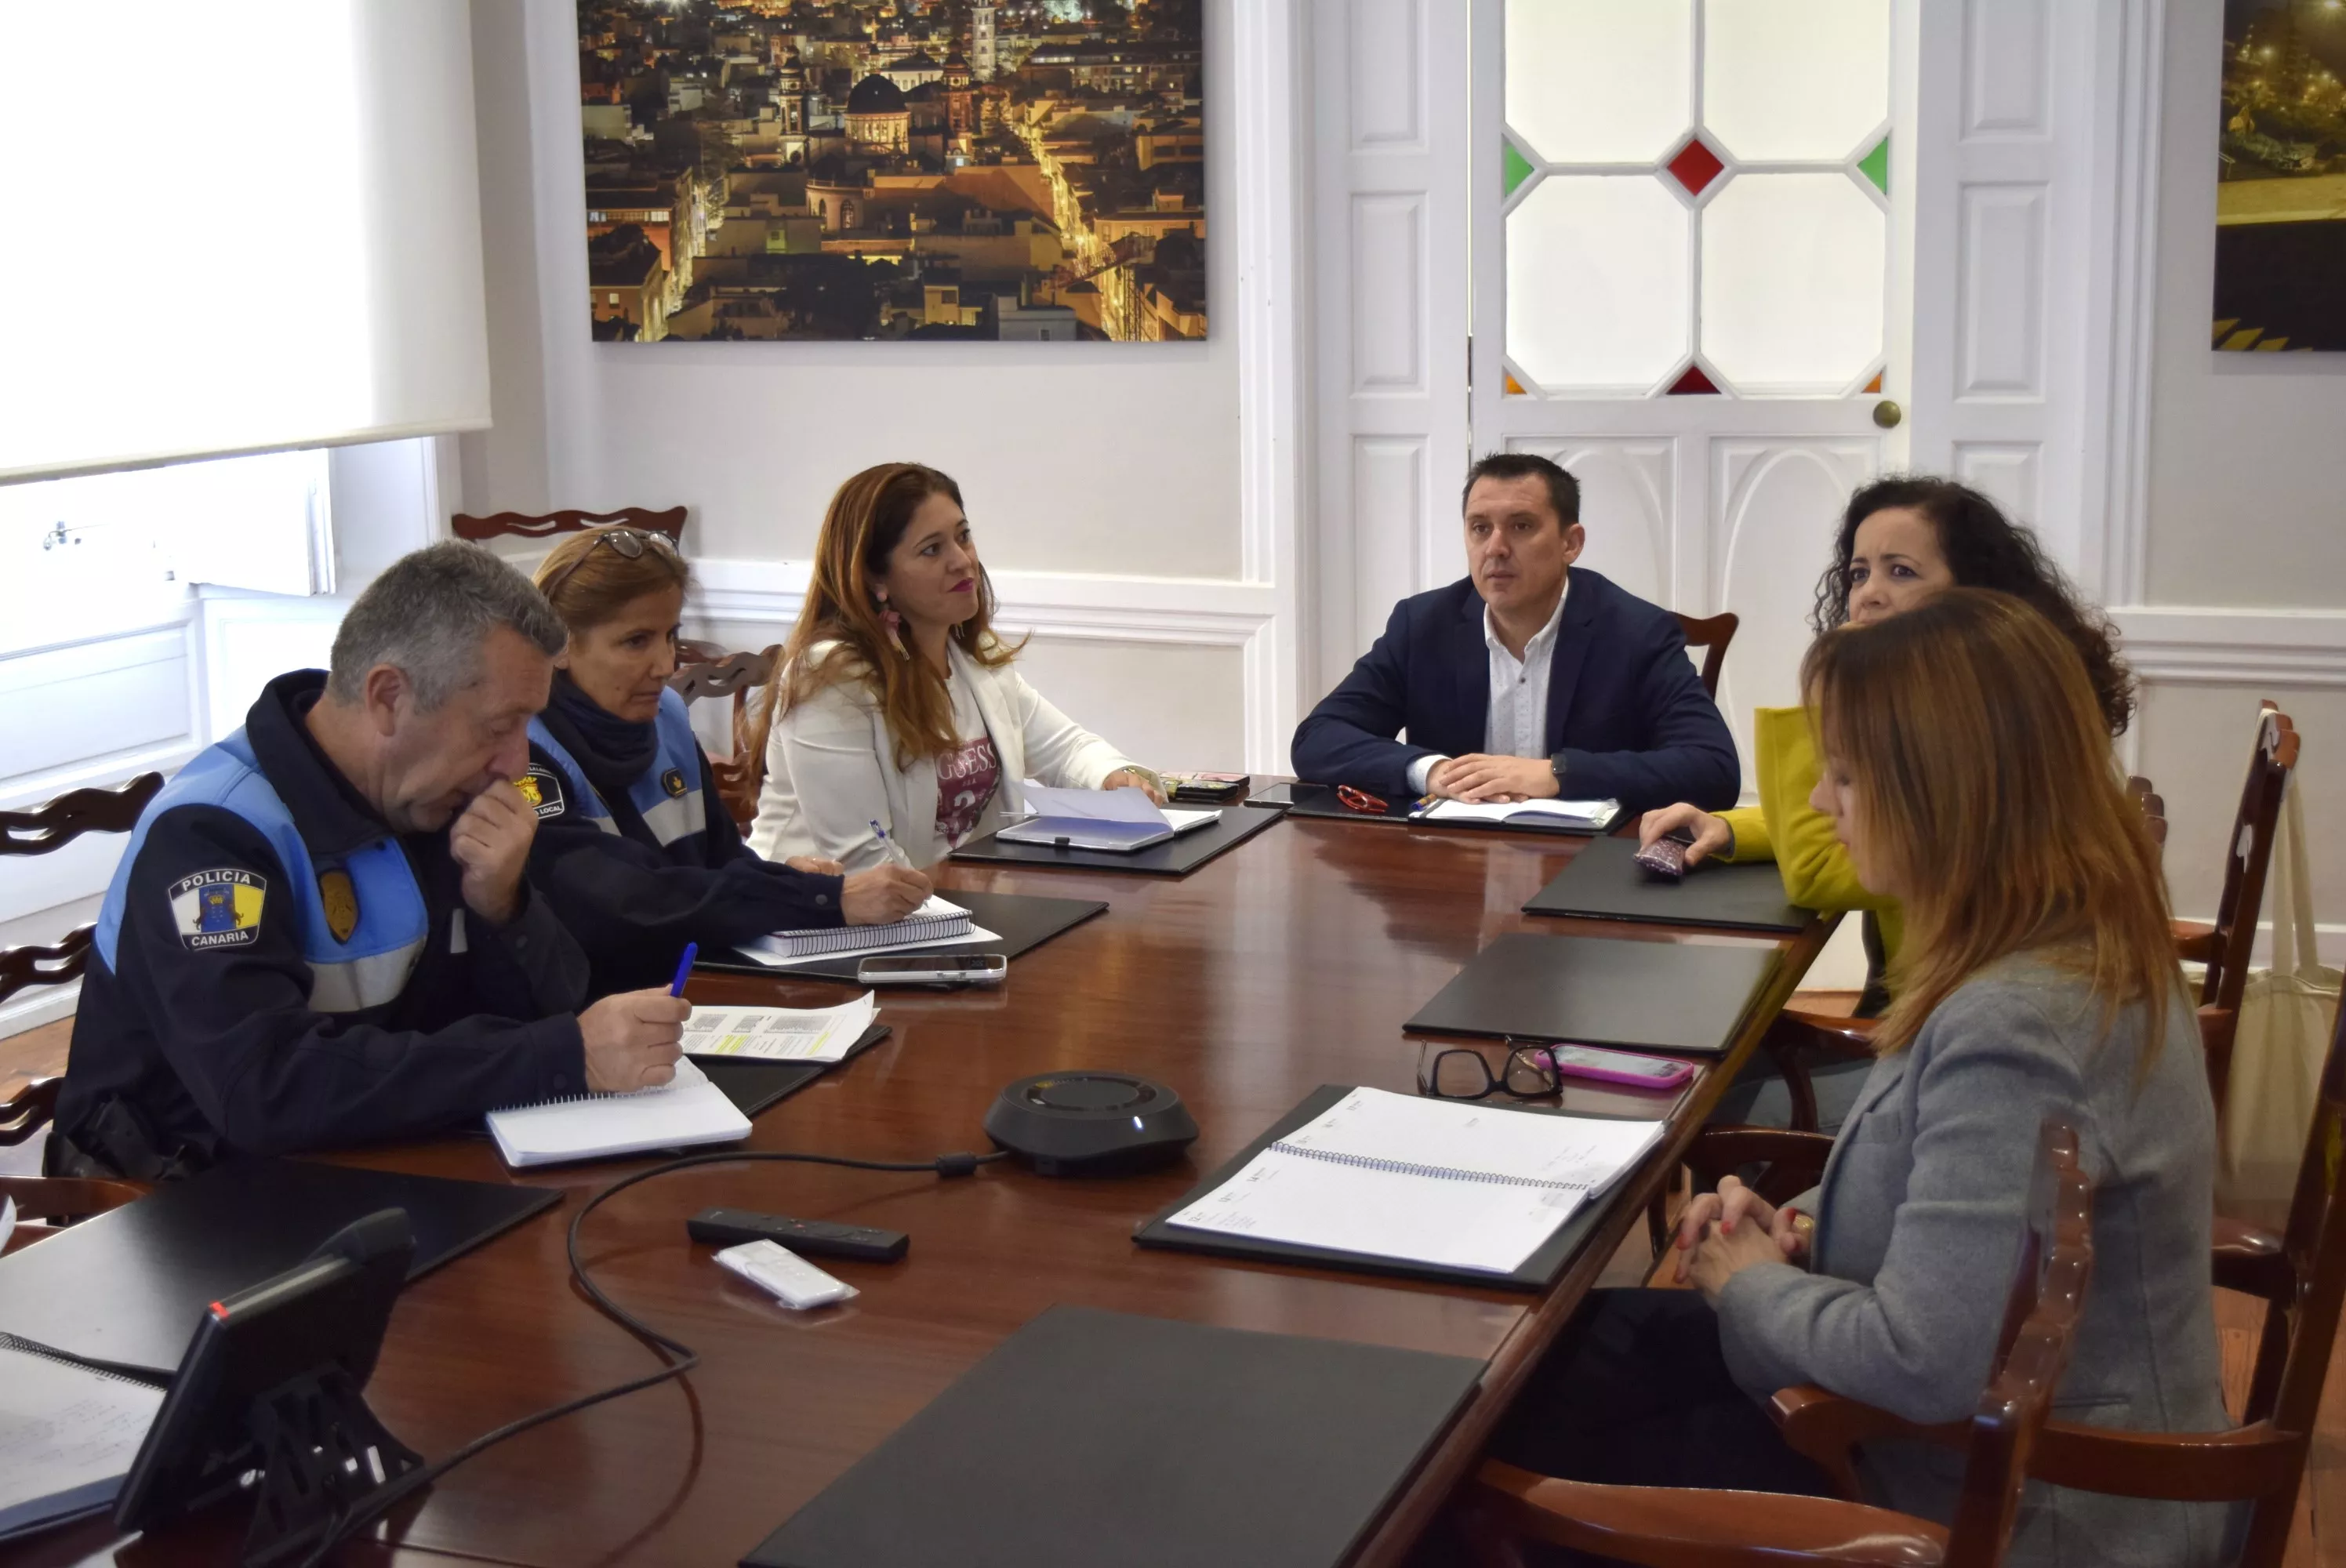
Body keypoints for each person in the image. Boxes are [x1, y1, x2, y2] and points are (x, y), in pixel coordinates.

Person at [1478, 590, 2228, 1568]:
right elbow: (1968, 1213)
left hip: (2005, 1508)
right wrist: (1805, 1220)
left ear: (1942, 791)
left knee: (1486, 1458)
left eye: (1843, 772)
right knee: (1549, 1365)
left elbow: (1924, 1362)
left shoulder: (2019, 1020)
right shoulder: (2054, 941)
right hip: (1976, 1449)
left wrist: (1747, 1283)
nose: (1822, 802)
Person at [51, 543, 689, 1179]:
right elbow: (265, 1090)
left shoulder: (429, 795)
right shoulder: (212, 836)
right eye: (500, 726)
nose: (518, 764)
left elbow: (543, 1013)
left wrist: (507, 910)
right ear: (388, 697)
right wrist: (559, 1056)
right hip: (185, 1213)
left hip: (383, 1166)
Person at [1640, 477, 2137, 1018]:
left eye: (1901, 572)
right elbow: (1852, 812)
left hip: (1940, 1016)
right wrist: (1733, 829)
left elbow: (1817, 872)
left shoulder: (1982, 743)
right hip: (1929, 1003)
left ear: (1974, 592)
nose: (1868, 594)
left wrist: (1828, 692)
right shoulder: (1967, 713)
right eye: (1859, 573)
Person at [522, 524, 931, 993]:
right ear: (559, 645)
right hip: (603, 1015)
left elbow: (720, 862)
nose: (665, 664)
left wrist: (780, 878)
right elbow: (628, 904)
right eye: (636, 641)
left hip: (696, 986)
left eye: (670, 635)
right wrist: (820, 899)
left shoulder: (667, 717)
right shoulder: (524, 753)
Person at [748, 462, 1162, 871]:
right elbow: (863, 860)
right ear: (876, 578)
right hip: (819, 922)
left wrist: (1116, 777)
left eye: (963, 537)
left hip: (948, 906)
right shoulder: (830, 678)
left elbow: (1067, 749)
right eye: (932, 549)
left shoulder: (971, 655)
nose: (963, 561)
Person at [1290, 452, 1738, 815]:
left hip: (1586, 871)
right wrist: (1432, 771)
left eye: (1521, 526)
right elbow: (1318, 738)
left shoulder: (1636, 632)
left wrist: (1555, 774)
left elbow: (1713, 770)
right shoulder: (1423, 625)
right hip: (1451, 870)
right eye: (1480, 528)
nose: (1496, 548)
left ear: (1571, 543)